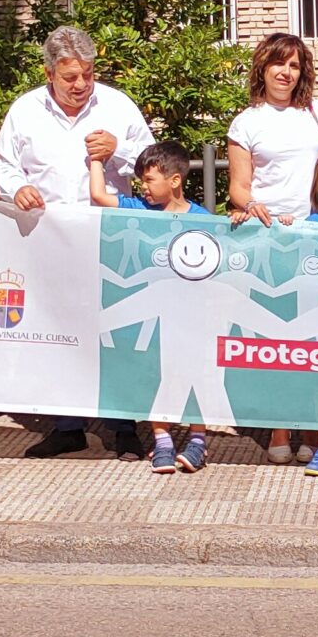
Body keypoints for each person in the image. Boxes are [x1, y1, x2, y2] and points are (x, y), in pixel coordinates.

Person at [0, 25, 157, 460]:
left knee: (115, 334)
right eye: (70, 77)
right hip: (50, 240)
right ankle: (66, 427)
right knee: (57, 331)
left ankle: (123, 427)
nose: (81, 85)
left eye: (87, 74)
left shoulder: (118, 106)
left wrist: (119, 149)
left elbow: (152, 165)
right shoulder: (25, 111)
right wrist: (17, 190)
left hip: (111, 241)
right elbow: (5, 167)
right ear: (49, 73)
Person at [225, 33, 318, 465]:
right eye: (278, 64)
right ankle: (278, 424)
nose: (286, 72)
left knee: (315, 332)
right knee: (278, 333)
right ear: (263, 69)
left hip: (315, 232)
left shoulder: (315, 113)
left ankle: (311, 423)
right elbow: (239, 187)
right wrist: (251, 206)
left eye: (294, 65)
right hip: (270, 237)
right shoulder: (247, 122)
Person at [93, 141, 218, 475]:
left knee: (196, 375)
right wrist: (96, 160)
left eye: (149, 180)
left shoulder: (204, 219)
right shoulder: (139, 210)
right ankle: (161, 439)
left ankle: (197, 440)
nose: (143, 188)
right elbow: (100, 196)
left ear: (174, 180)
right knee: (155, 374)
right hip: (157, 313)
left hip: (192, 315)